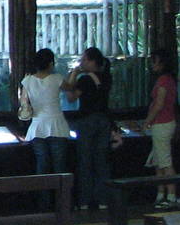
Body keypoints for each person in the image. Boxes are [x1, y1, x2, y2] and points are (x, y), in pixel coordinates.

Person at [18, 48, 72, 206]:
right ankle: (62, 203)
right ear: (50, 63)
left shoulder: (27, 81)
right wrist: (75, 73)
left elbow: (23, 102)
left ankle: (44, 203)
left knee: (42, 165)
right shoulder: (56, 78)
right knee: (60, 166)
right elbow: (71, 88)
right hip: (57, 125)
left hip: (37, 126)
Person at [64, 46, 112, 211]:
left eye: (84, 59)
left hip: (86, 121)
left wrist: (74, 74)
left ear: (92, 61)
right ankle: (103, 199)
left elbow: (71, 97)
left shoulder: (84, 80)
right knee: (101, 161)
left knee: (85, 160)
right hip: (103, 121)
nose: (81, 62)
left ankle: (84, 200)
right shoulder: (107, 77)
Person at [143, 52, 180, 207]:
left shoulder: (163, 81)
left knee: (165, 161)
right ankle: (161, 194)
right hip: (164, 122)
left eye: (156, 62)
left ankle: (171, 195)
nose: (153, 65)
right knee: (159, 161)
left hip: (162, 123)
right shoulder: (169, 80)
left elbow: (159, 104)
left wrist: (148, 121)